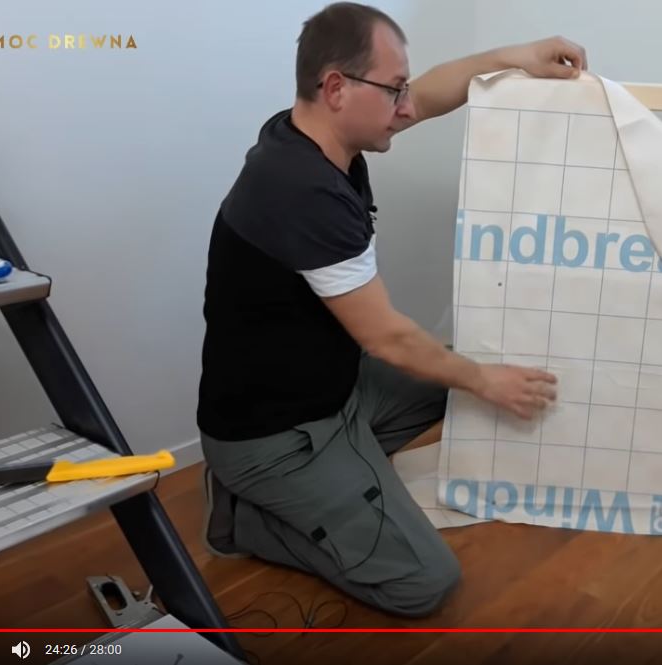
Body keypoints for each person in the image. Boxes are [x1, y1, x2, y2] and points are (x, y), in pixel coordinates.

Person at [196, 2, 587, 618]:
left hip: (337, 391)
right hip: (275, 438)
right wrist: (488, 381)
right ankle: (245, 519)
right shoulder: (300, 191)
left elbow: (427, 95)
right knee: (424, 582)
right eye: (393, 89)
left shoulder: (310, 133)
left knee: (458, 382)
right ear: (336, 88)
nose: (406, 106)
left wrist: (515, 56)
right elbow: (388, 339)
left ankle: (343, 481)